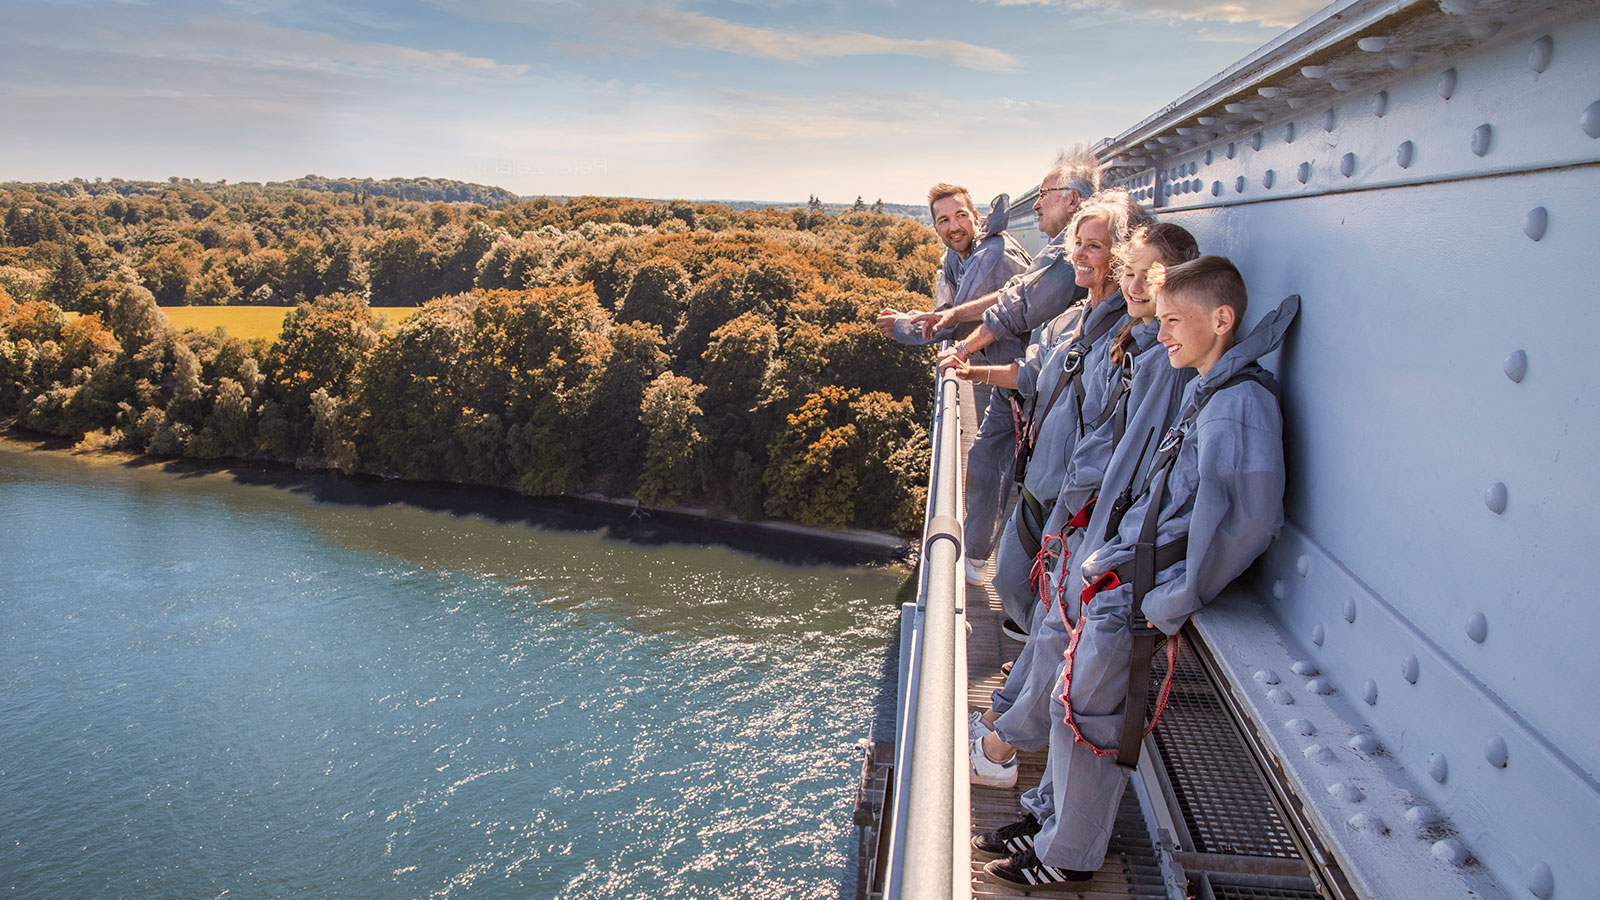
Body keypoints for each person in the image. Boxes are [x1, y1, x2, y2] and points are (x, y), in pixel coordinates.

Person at [976, 257, 1298, 886]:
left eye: (1176, 320)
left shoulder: (1236, 405)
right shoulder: (1211, 388)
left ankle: (1065, 856)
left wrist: (1176, 598)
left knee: (1088, 722)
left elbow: (1249, 521)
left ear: (1222, 319)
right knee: (1074, 707)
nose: (1166, 332)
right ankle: (1050, 822)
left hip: (1142, 590)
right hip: (1124, 577)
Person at [957, 212, 1185, 789]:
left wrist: (1087, 521)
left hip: (1084, 516)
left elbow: (1121, 449)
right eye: (1077, 245)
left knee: (1059, 633)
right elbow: (1040, 380)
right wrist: (974, 370)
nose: (1083, 257)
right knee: (1043, 624)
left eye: (1097, 248)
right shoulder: (1087, 324)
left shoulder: (1147, 352)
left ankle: (1002, 749)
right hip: (1059, 499)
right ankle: (999, 721)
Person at [916, 150, 1102, 583]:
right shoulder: (1057, 248)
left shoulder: (1051, 253)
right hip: (1033, 374)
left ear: (1073, 200)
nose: (1035, 204)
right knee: (998, 463)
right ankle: (989, 563)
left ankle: (994, 573)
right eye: (942, 220)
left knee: (1007, 470)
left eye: (1044, 195)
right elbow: (1013, 294)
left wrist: (960, 344)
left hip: (1040, 383)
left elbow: (1016, 305)